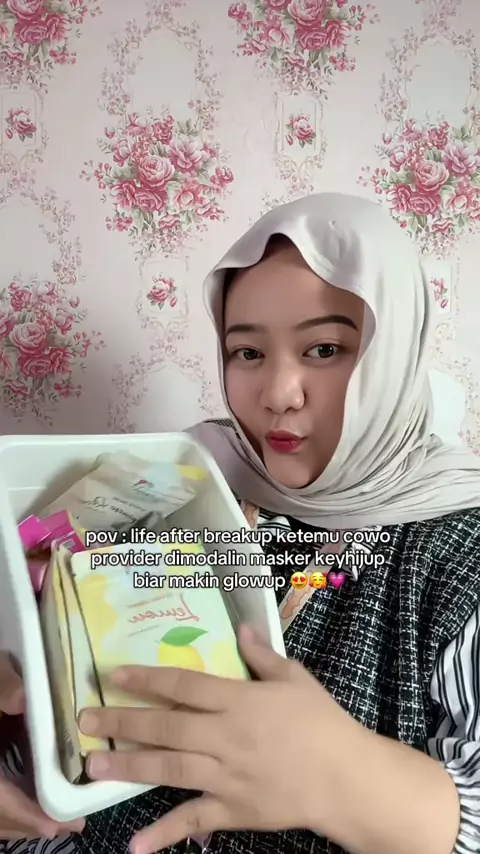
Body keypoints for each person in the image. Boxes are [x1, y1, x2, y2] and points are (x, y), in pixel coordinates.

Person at [3, 192, 480, 854]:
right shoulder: (184, 481)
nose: (277, 394)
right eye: (248, 353)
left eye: (324, 348)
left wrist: (341, 777)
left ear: (395, 351)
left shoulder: (456, 553)